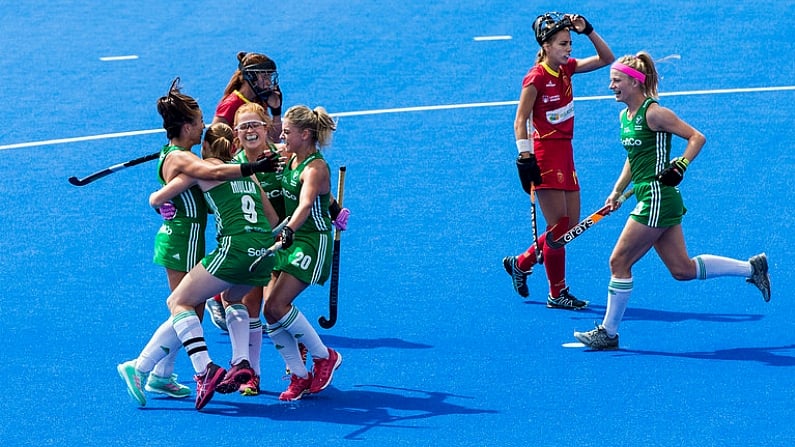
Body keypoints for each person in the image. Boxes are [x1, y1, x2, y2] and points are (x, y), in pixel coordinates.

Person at [572, 52, 771, 350]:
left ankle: (608, 333)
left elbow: (696, 137)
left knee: (619, 261)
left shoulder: (654, 113)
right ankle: (752, 268)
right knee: (682, 270)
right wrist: (616, 191)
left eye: (616, 80)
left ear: (634, 82)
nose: (611, 86)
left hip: (657, 197)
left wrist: (681, 165)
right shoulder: (625, 116)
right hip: (646, 195)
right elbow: (633, 157)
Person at [116, 82, 281, 409]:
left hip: (190, 237)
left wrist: (161, 200)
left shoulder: (184, 156)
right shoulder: (185, 160)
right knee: (185, 307)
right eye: (200, 120)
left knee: (191, 310)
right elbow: (213, 172)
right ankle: (166, 367)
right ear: (187, 126)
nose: (204, 124)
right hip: (182, 240)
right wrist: (251, 167)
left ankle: (161, 374)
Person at [502, 12, 615, 309]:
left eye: (570, 44)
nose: (569, 49)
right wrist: (524, 156)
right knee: (559, 228)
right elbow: (520, 119)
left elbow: (607, 58)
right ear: (547, 45)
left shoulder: (567, 69)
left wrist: (588, 30)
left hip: (566, 152)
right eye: (563, 43)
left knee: (569, 225)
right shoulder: (536, 77)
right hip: (545, 155)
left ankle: (523, 262)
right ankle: (557, 292)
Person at [263, 105, 342, 401]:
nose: (281, 136)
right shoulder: (291, 156)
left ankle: (324, 356)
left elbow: (306, 204)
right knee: (269, 311)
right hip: (291, 238)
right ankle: (298, 373)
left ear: (305, 134)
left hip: (310, 240)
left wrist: (288, 231)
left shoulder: (316, 168)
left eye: (286, 132)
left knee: (278, 304)